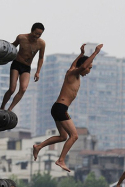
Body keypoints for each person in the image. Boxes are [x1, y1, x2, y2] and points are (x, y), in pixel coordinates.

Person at [32, 43, 103, 172]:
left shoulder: (74, 74)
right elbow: (82, 66)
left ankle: (38, 146)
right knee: (74, 136)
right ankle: (61, 160)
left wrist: (81, 54)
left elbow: (77, 65)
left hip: (58, 108)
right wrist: (96, 52)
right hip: (60, 108)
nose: (89, 71)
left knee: (63, 137)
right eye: (89, 68)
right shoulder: (72, 73)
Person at [0, 22, 46, 111]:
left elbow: (41, 58)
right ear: (31, 31)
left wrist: (37, 72)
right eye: (36, 33)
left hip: (26, 67)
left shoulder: (41, 43)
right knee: (12, 89)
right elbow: (12, 47)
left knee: (23, 89)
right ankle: (3, 106)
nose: (37, 36)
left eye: (39, 34)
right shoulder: (21, 37)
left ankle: (10, 109)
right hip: (17, 64)